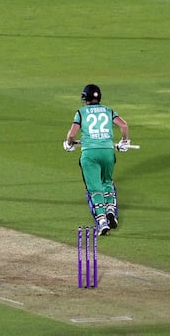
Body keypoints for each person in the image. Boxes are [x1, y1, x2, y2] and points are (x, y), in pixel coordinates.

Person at [63, 84, 130, 235]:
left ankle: (102, 221)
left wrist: (68, 144)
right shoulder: (108, 111)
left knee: (94, 188)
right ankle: (111, 210)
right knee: (107, 181)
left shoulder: (81, 112)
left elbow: (72, 135)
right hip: (107, 152)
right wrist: (124, 142)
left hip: (90, 154)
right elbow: (124, 126)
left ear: (85, 98)